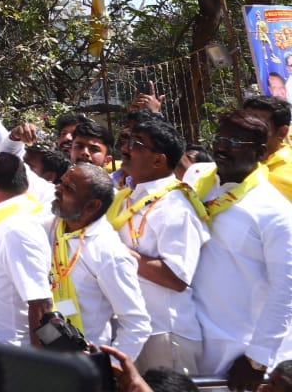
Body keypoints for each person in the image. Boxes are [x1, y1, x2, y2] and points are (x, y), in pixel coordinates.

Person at [188, 109, 292, 389]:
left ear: (259, 153)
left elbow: (286, 291)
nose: (221, 147)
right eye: (219, 139)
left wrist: (257, 358)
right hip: (194, 341)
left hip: (241, 353)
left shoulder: (275, 211)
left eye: (235, 143)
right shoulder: (198, 189)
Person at [112, 115, 208, 374]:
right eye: (128, 141)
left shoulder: (176, 206)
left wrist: (119, 253)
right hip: (133, 329)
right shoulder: (126, 197)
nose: (125, 148)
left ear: (159, 160)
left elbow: (177, 278)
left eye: (137, 144)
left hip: (167, 331)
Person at [48, 161, 150, 361]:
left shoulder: (109, 252)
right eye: (61, 182)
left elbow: (136, 324)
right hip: (47, 354)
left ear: (92, 205)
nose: (57, 188)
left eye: (68, 188)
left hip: (84, 363)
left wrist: (109, 370)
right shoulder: (52, 226)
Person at [0, 152, 51, 347]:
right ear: (26, 183)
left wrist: (41, 363)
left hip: (16, 354)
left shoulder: (15, 229)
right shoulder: (8, 224)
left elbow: (40, 303)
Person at [242, 94, 292, 204]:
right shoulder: (226, 167)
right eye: (243, 124)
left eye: (257, 126)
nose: (247, 131)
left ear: (282, 132)